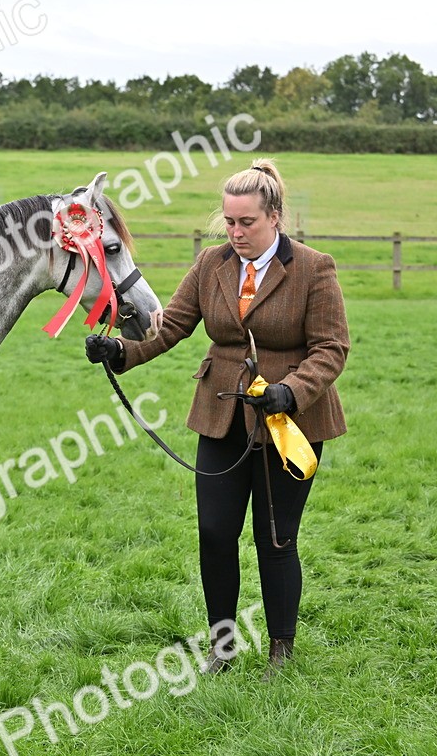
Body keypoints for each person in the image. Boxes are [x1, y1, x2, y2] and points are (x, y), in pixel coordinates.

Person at [85, 158, 349, 679]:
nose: (235, 232)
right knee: (214, 532)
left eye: (246, 222)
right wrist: (120, 352)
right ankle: (222, 648)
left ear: (275, 216)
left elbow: (331, 348)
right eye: (228, 222)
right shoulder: (212, 264)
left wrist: (289, 392)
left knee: (276, 538)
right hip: (221, 416)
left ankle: (280, 652)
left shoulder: (314, 268)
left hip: (289, 424)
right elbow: (172, 326)